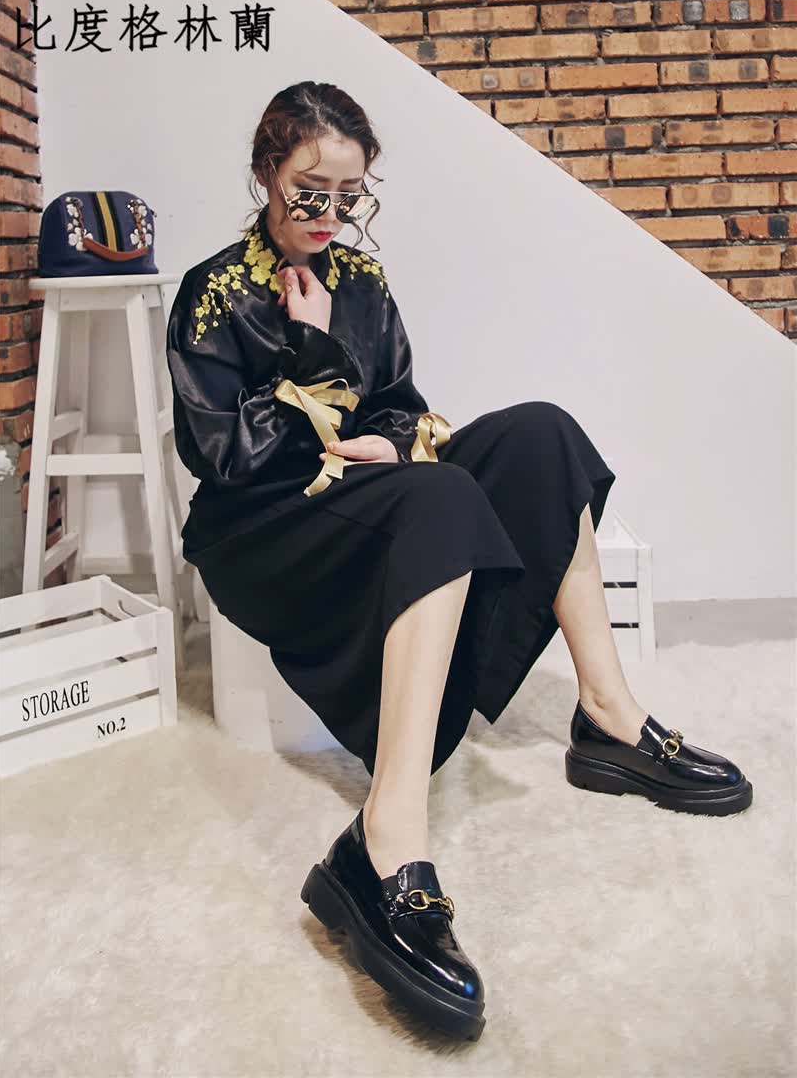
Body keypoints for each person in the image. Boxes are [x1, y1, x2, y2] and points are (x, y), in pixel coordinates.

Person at [166, 80, 753, 1041]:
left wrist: (392, 442)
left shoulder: (362, 282)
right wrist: (313, 353)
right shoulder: (214, 291)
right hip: (264, 526)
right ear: (268, 172)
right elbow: (221, 453)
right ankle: (384, 842)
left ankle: (607, 718)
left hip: (367, 492)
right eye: (310, 188)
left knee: (541, 436)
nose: (328, 212)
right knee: (439, 499)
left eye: (348, 194)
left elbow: (400, 402)